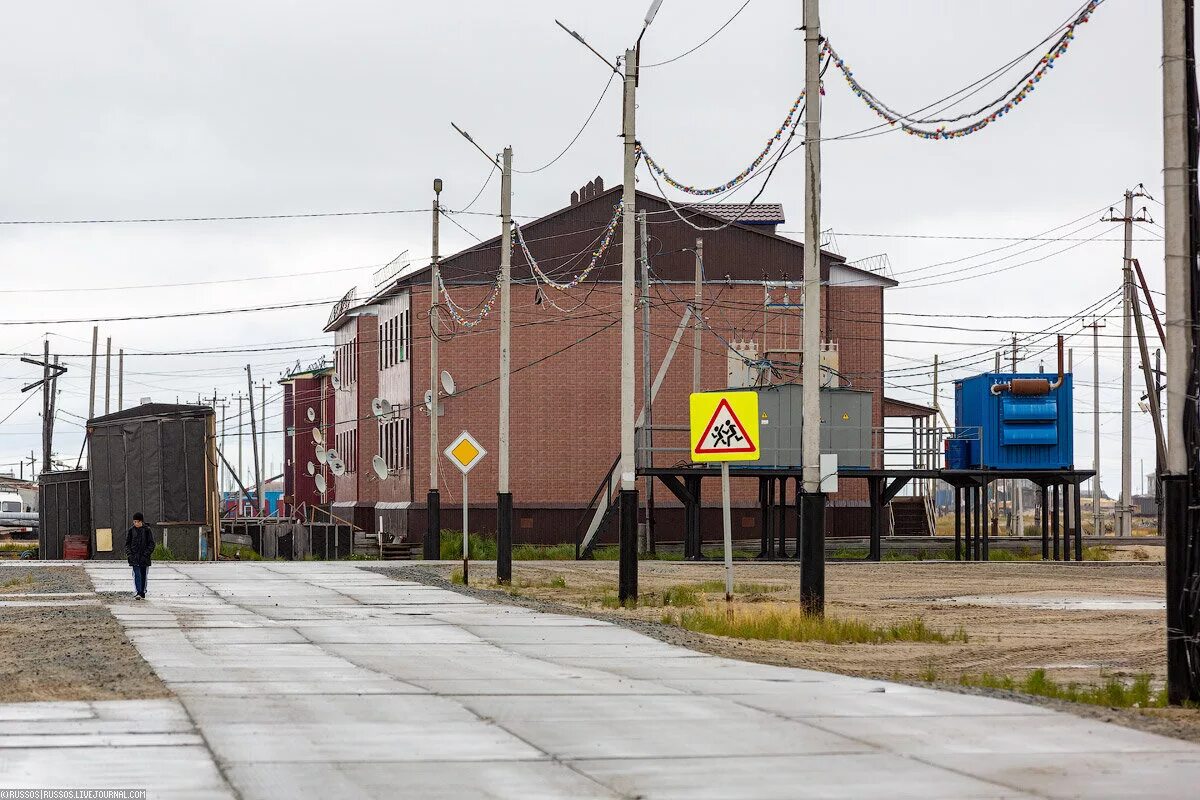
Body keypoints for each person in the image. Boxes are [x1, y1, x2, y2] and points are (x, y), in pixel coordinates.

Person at [125, 512, 154, 599]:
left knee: (143, 575)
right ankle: (138, 591)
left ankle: (142, 592)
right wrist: (129, 554)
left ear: (141, 521)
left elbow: (151, 544)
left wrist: (146, 554)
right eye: (134, 522)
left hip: (144, 558)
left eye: (137, 522)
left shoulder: (147, 530)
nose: (136, 524)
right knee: (136, 574)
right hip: (134, 557)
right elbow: (127, 544)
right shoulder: (131, 530)